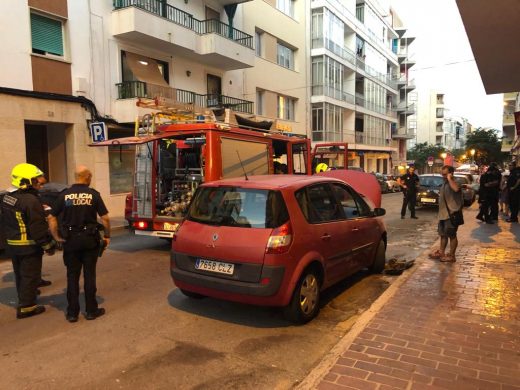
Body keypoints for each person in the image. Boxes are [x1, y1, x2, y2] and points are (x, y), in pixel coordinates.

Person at [48, 165, 111, 323]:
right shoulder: (93, 194)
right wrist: (108, 235)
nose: (91, 178)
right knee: (89, 275)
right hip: (90, 240)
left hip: (70, 241)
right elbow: (105, 218)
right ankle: (91, 311)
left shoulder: (65, 195)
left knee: (72, 276)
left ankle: (72, 313)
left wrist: (56, 236)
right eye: (90, 176)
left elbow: (51, 217)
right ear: (87, 176)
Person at [0, 163, 56, 319]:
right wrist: (48, 245)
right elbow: (37, 228)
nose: (41, 182)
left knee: (20, 274)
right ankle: (27, 307)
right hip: (28, 245)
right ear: (25, 181)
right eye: (36, 179)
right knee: (30, 275)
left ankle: (24, 295)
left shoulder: (8, 197)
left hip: (13, 243)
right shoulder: (30, 200)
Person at [428, 165, 462, 262]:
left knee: (452, 235)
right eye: (442, 174)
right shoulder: (444, 183)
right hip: (443, 214)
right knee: (443, 234)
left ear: (451, 173)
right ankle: (441, 252)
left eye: (445, 174)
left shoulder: (456, 181)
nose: (443, 176)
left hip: (451, 214)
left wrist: (449, 178)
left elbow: (456, 189)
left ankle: (452, 256)